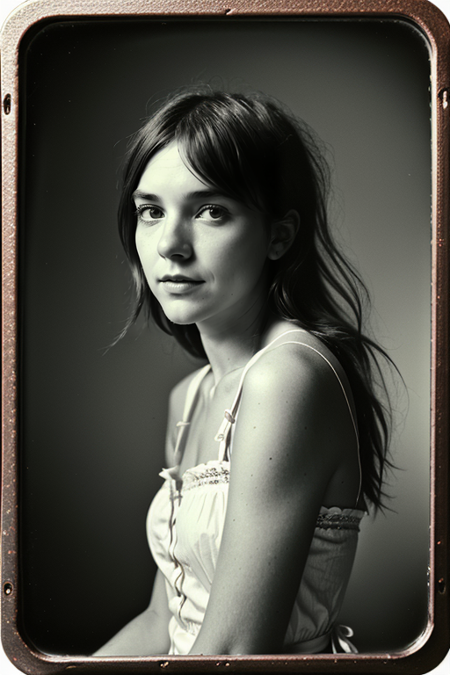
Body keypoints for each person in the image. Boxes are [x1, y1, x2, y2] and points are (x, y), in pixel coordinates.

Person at [94, 88, 395, 657]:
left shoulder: (286, 378)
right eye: (151, 210)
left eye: (211, 212)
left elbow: (233, 649)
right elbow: (164, 621)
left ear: (278, 234)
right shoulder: (189, 398)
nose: (169, 245)